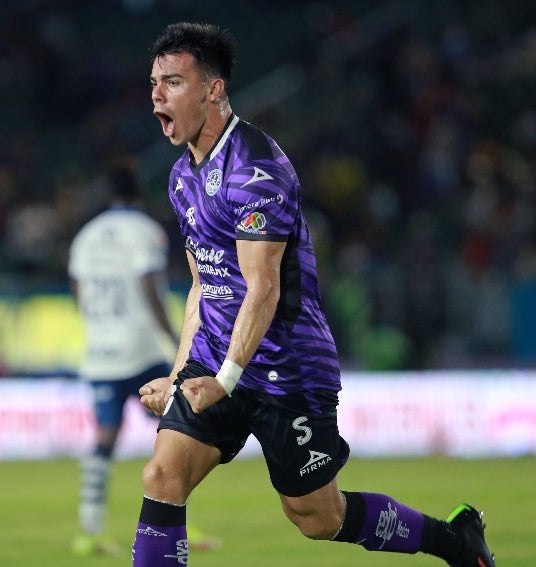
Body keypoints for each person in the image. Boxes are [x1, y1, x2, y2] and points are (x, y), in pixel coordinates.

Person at [132, 22, 495, 567]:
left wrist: (224, 380)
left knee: (317, 518)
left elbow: (265, 286)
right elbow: (205, 286)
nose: (157, 94)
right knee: (163, 474)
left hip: (287, 365)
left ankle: (452, 540)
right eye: (154, 83)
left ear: (213, 89)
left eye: (173, 82)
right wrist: (183, 375)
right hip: (219, 356)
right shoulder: (181, 177)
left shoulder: (255, 168)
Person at [68, 159, 219, 556]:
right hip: (144, 346)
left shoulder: (85, 236)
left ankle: (89, 530)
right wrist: (174, 339)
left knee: (104, 436)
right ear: (138, 192)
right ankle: (180, 523)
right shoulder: (146, 232)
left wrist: (97, 326)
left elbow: (78, 291)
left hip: (101, 350)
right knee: (181, 432)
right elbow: (149, 284)